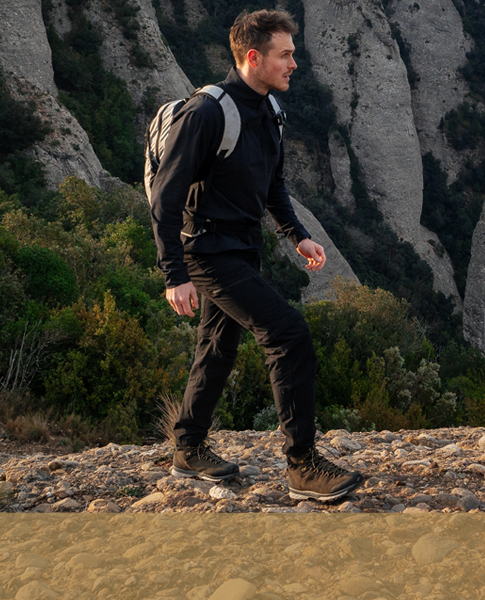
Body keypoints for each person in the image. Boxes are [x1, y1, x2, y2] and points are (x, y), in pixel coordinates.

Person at [147, 9, 366, 501]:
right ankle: (302, 467)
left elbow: (273, 184)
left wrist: (296, 234)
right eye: (285, 55)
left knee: (217, 347)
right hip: (205, 252)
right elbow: (165, 195)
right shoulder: (207, 113)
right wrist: (174, 274)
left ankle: (188, 446)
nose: (294, 64)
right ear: (253, 57)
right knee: (287, 334)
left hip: (243, 249)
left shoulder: (268, 111)